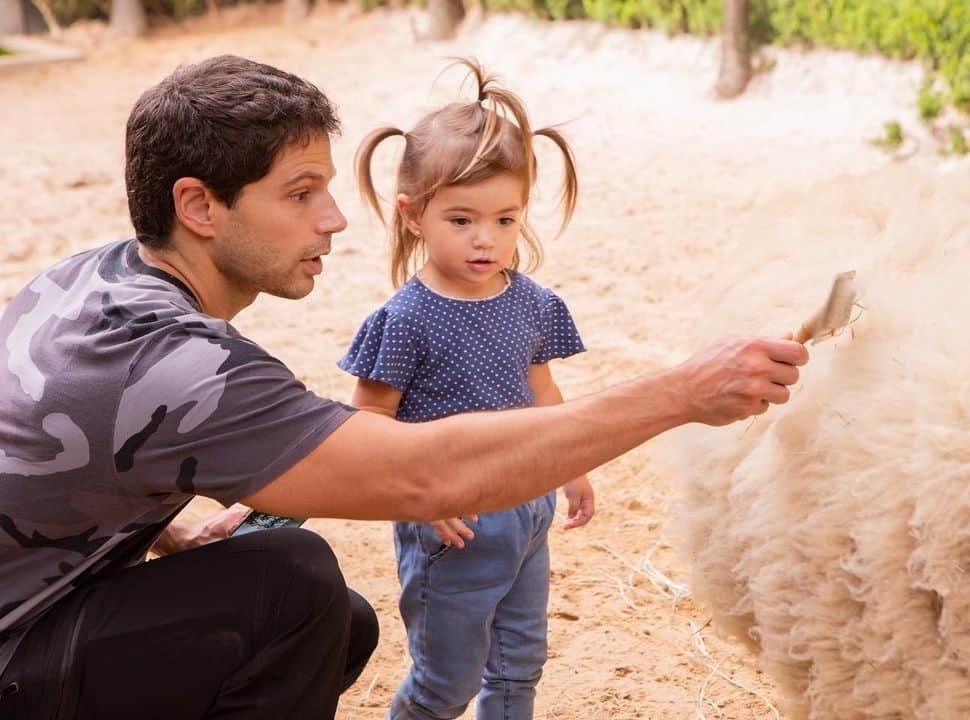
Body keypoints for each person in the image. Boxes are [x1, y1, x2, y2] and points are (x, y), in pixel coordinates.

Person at [0, 55, 808, 720]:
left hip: (40, 609)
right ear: (198, 206)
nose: (335, 219)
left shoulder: (90, 280)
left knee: (339, 622)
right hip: (18, 654)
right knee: (295, 583)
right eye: (300, 191)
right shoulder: (172, 357)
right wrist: (684, 393)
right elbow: (427, 475)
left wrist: (156, 530)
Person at [342, 59, 592, 719]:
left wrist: (573, 466)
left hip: (528, 508)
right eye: (462, 220)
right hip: (450, 525)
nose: (487, 239)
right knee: (444, 685)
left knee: (518, 669)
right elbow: (369, 427)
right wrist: (419, 499)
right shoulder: (404, 320)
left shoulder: (533, 303)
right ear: (414, 215)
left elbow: (541, 388)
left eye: (506, 220)